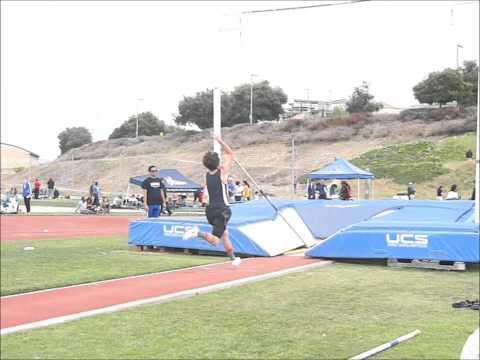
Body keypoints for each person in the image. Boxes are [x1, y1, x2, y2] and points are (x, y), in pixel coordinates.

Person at [182, 135, 241, 266]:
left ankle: (233, 258)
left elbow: (206, 191)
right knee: (215, 241)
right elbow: (231, 153)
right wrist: (219, 140)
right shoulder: (223, 172)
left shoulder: (207, 174)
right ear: (218, 162)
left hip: (210, 210)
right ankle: (197, 232)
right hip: (223, 210)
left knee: (225, 233)